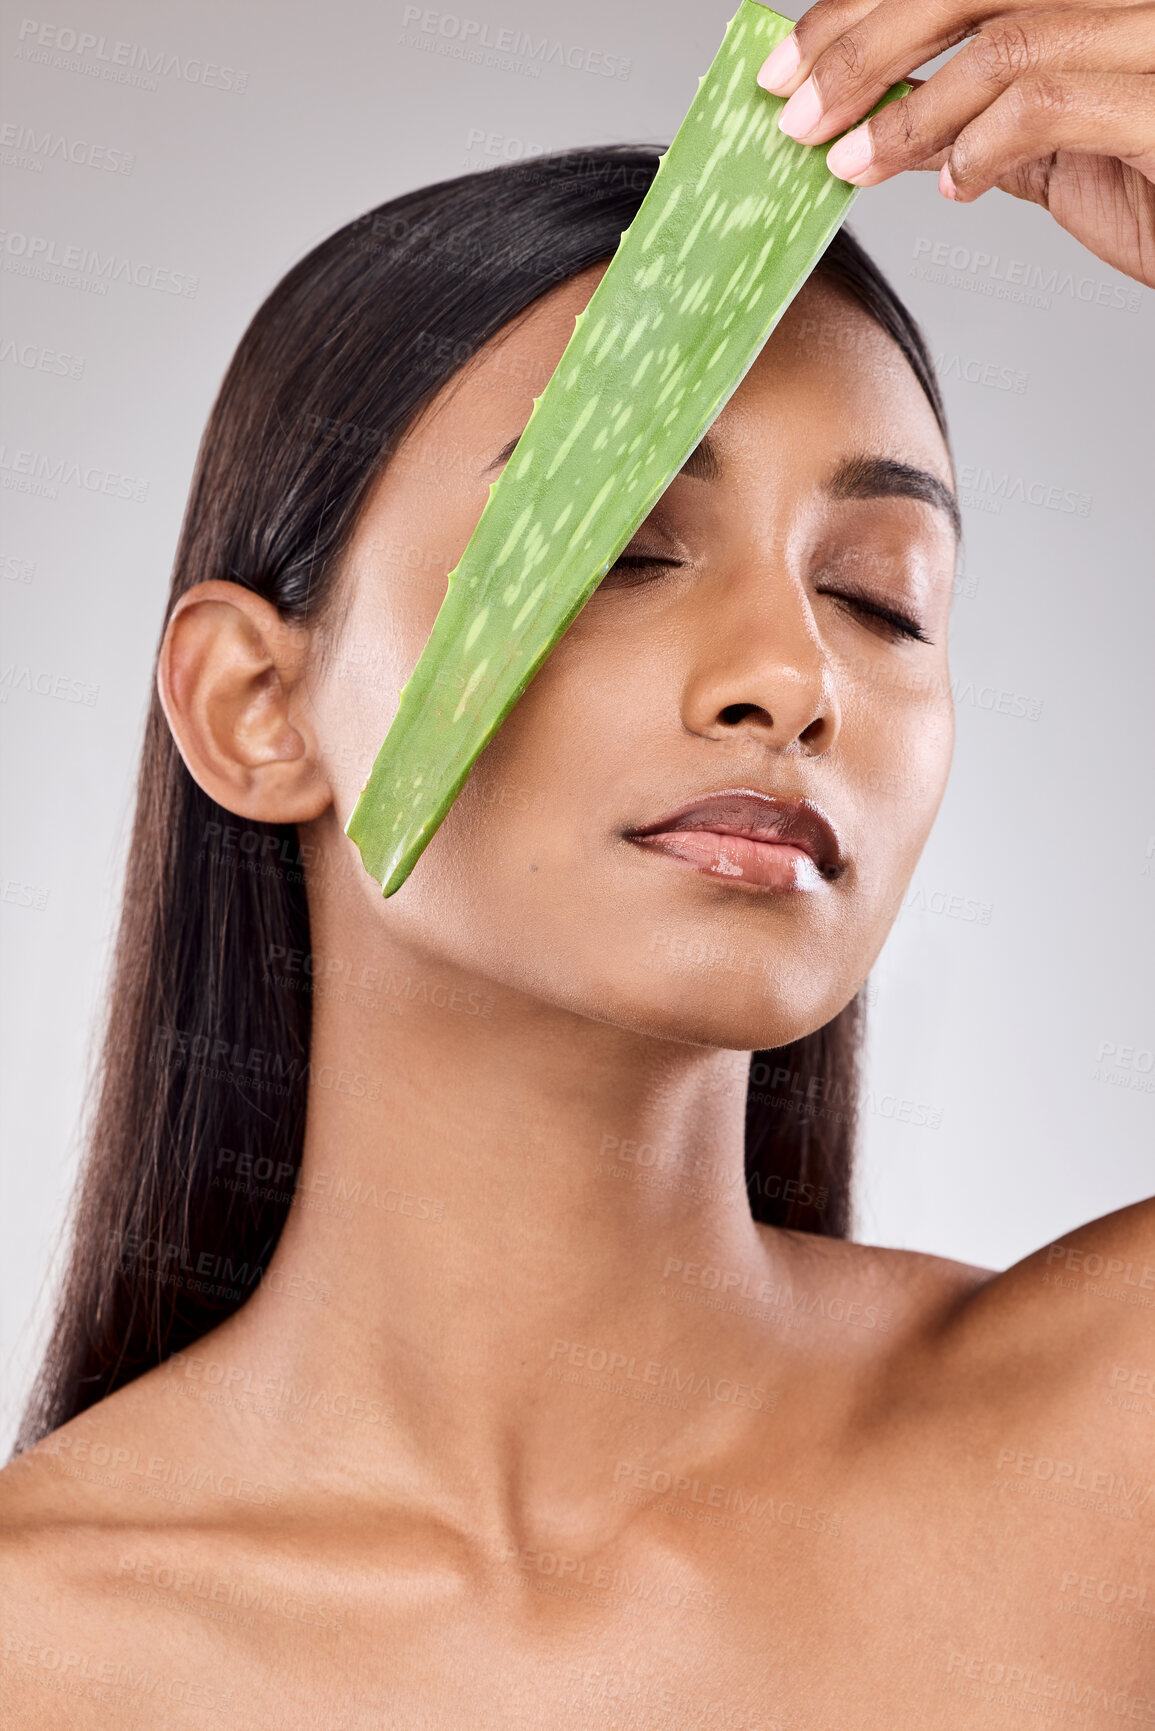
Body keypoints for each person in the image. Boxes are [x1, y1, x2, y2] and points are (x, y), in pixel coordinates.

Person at [2, 0, 1152, 1722]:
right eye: (619, 544)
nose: (796, 676)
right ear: (256, 705)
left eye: (881, 595)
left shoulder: (1111, 1455)